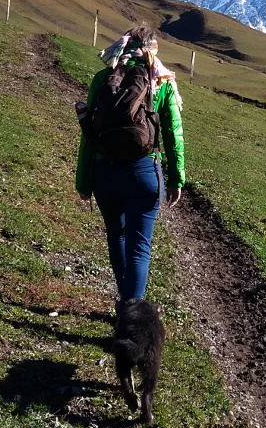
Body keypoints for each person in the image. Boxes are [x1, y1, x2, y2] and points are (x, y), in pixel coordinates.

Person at [75, 25, 185, 313]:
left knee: (117, 236)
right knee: (139, 248)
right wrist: (176, 178)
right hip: (143, 173)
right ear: (153, 49)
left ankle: (125, 303)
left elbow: (89, 134)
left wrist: (84, 181)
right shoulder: (160, 81)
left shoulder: (103, 78)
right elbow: (173, 133)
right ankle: (130, 315)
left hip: (104, 172)